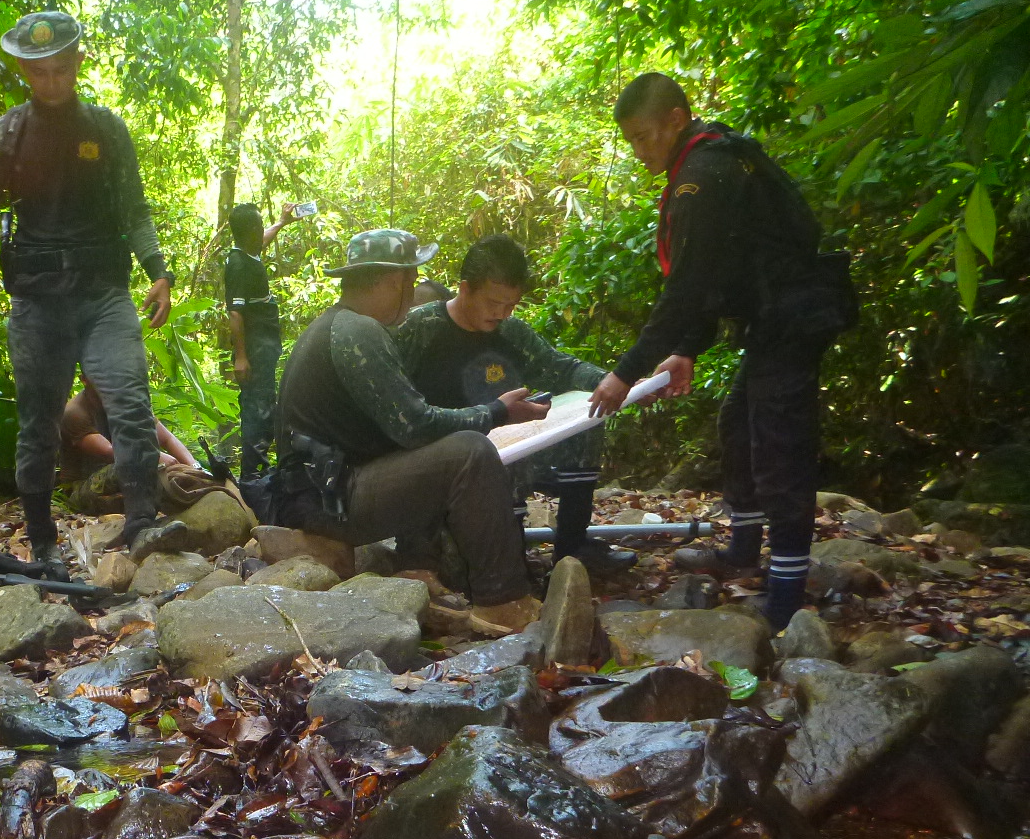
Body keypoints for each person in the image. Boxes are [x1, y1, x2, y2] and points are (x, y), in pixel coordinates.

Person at [589, 72, 856, 631]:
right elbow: (719, 274)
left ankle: (785, 597)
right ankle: (744, 548)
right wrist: (687, 349)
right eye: (631, 141)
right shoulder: (712, 160)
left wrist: (623, 374)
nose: (639, 151)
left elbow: (686, 289)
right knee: (737, 424)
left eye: (643, 137)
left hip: (793, 316)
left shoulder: (703, 177)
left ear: (676, 120)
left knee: (779, 448)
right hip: (773, 316)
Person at [0, 9, 174, 562]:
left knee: (129, 402)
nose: (51, 82)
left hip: (103, 295)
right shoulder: (5, 134)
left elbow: (135, 210)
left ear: (78, 63)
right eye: (39, 72)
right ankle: (43, 543)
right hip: (37, 300)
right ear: (23, 72)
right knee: (38, 421)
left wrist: (159, 271)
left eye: (61, 69)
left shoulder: (106, 130)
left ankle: (142, 525)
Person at [273, 229, 540, 619]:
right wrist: (496, 412)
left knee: (440, 450)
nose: (415, 292)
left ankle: (419, 568)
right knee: (469, 453)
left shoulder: (340, 324)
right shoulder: (358, 331)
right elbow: (415, 425)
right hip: (325, 501)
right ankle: (502, 602)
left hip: (317, 492)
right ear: (393, 282)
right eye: (412, 282)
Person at [395, 236, 636, 574]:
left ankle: (572, 550)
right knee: (484, 452)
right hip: (442, 456)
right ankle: (496, 557)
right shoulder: (419, 329)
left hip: (511, 448)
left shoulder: (511, 332)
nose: (502, 313)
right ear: (465, 289)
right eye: (494, 302)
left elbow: (561, 368)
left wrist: (618, 382)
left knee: (587, 424)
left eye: (511, 304)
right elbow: (398, 409)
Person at [224, 201, 306, 475]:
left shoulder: (247, 254)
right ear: (250, 231)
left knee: (265, 405)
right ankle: (254, 477)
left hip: (264, 346)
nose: (263, 230)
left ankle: (258, 472)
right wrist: (241, 357)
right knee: (258, 410)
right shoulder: (238, 265)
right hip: (255, 349)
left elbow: (263, 242)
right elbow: (235, 313)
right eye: (260, 226)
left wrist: (282, 222)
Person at [61, 375, 198, 481]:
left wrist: (195, 468)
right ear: (84, 380)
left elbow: (167, 439)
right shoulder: (75, 412)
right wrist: (154, 457)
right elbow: (108, 451)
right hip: (85, 484)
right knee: (135, 466)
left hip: (123, 470)